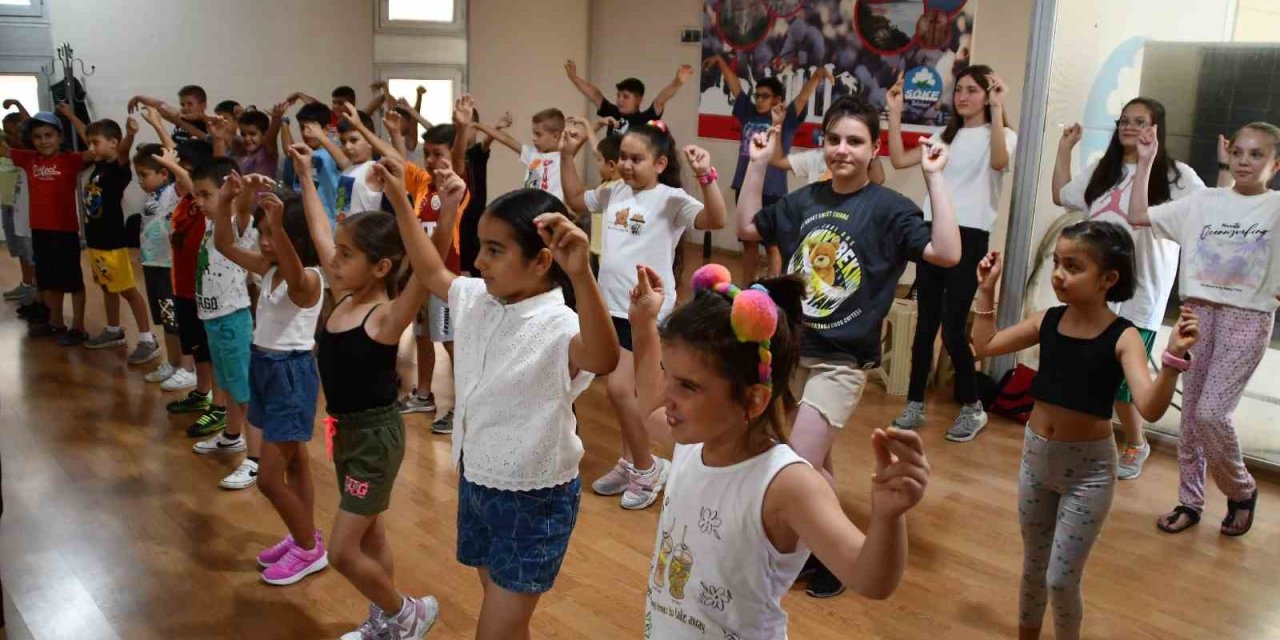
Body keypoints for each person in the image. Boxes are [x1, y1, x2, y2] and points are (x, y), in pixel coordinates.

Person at [735, 95, 961, 597]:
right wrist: (755, 165)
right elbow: (747, 227)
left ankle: (828, 556)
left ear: (873, 148)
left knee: (794, 461)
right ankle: (828, 555)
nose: (842, 150)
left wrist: (934, 177)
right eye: (834, 140)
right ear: (822, 144)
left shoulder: (888, 208)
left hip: (841, 362)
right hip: (794, 352)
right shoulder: (805, 200)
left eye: (855, 141)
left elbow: (946, 252)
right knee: (815, 464)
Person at [630, 262, 930, 639]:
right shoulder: (693, 441)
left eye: (687, 386)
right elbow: (649, 410)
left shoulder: (788, 484)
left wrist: (888, 516)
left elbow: (870, 579)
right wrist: (644, 325)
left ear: (753, 400)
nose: (667, 396)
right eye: (665, 374)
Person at [389, 150, 619, 639]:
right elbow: (431, 271)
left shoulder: (559, 325)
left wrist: (582, 273)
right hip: (478, 482)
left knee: (493, 630)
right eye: (480, 247)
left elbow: (602, 358)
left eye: (495, 250)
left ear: (541, 262)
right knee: (505, 619)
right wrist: (401, 203)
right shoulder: (477, 298)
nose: (478, 260)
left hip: (534, 499)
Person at [970, 221, 1199, 640]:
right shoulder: (1048, 321)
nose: (1059, 274)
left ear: (1108, 279)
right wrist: (986, 290)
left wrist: (1172, 360)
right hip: (1036, 462)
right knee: (1033, 568)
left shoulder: (1124, 335)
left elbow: (1148, 406)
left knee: (1060, 579)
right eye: (1058, 263)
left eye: (1073, 266)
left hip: (1088, 474)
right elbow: (984, 345)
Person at [290, 144, 438, 638]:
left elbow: (424, 269)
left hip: (376, 440)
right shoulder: (342, 298)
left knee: (342, 550)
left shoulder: (386, 318)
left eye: (346, 254)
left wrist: (443, 208)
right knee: (369, 532)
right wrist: (307, 177)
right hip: (344, 432)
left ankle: (405, 612)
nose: (333, 259)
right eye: (337, 251)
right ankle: (387, 619)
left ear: (380, 267)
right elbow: (316, 232)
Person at [562, 119, 727, 510]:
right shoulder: (614, 191)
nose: (626, 165)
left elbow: (715, 220)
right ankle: (632, 461)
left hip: (647, 313)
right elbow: (573, 198)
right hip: (611, 308)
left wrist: (707, 176)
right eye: (622, 157)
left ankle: (647, 467)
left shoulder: (670, 199)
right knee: (626, 395)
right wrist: (568, 154)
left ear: (659, 163)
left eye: (637, 159)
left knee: (623, 391)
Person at [1128, 121, 1280, 538]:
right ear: (1228, 155)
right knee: (1192, 419)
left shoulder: (1276, 207)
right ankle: (1189, 501)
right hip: (1197, 314)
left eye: (1257, 154)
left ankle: (1241, 489)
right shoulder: (1202, 202)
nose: (1245, 161)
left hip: (1247, 318)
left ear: (1275, 162)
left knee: (1213, 413)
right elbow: (1138, 215)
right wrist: (1145, 161)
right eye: (1239, 153)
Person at [1052, 97, 1205, 479]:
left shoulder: (1177, 175)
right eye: (1124, 120)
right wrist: (1063, 149)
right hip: (1094, 294)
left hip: (1141, 295)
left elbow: (1206, 215)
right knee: (1092, 372)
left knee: (1124, 383)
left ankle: (1136, 441)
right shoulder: (1102, 170)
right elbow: (1062, 195)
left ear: (1157, 128)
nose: (1129, 127)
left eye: (1140, 121)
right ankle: (1088, 438)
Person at [886, 65, 1017, 442]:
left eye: (972, 90)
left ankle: (973, 407)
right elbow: (898, 160)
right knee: (925, 322)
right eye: (959, 89)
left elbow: (997, 162)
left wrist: (997, 109)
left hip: (971, 234)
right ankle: (914, 403)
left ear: (988, 93)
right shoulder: (945, 135)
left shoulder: (1004, 135)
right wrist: (895, 114)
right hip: (933, 231)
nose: (963, 96)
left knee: (953, 326)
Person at [212, 177, 328, 585]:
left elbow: (297, 279)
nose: (263, 241)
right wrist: (226, 201)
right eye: (261, 232)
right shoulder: (269, 267)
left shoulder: (308, 279)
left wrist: (278, 227)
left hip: (290, 375)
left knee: (268, 478)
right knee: (296, 463)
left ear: (296, 238)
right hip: (263, 366)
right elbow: (224, 245)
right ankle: (304, 536)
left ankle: (310, 549)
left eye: (272, 233)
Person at [366, 104, 474, 432]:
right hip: (419, 276)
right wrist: (386, 131)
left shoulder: (456, 185)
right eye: (427, 153)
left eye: (437, 153)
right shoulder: (423, 184)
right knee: (423, 337)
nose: (431, 160)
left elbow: (456, 160)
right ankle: (424, 394)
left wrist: (463, 129)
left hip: (444, 277)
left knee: (452, 343)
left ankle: (464, 408)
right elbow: (398, 162)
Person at [705, 54, 830, 282]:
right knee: (749, 243)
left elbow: (802, 98)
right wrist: (720, 62)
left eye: (765, 96)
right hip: (745, 186)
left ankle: (773, 287)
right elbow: (735, 86)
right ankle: (746, 287)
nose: (759, 100)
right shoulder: (747, 113)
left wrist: (816, 77)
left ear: (777, 99)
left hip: (773, 190)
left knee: (772, 244)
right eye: (757, 95)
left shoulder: (786, 118)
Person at [56, 107, 162, 362]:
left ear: (113, 143)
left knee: (127, 290)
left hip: (113, 243)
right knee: (106, 286)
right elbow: (88, 134)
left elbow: (123, 150)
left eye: (96, 143)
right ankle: (114, 330)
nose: (90, 147)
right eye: (89, 143)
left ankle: (148, 339)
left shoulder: (118, 167)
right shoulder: (100, 164)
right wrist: (71, 116)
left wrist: (130, 134)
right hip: (96, 243)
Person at [188, 158, 261, 491]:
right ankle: (232, 436)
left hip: (232, 320)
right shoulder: (211, 222)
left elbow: (243, 206)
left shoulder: (235, 223)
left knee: (244, 390)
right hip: (214, 321)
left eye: (205, 195)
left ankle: (257, 459)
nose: (199, 202)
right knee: (228, 384)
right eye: (196, 195)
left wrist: (237, 193)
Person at [1, 110, 89, 345]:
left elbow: (93, 144)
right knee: (49, 281)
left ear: (59, 137)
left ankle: (79, 327)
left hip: (65, 232)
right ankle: (56, 322)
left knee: (73, 281)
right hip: (40, 231)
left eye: (49, 135)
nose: (43, 141)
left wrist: (71, 115)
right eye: (38, 136)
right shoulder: (29, 159)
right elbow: (4, 149)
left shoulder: (71, 160)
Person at [132, 141, 195, 391]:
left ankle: (187, 367)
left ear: (164, 173)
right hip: (153, 265)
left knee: (178, 320)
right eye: (138, 175)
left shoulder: (175, 192)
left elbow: (187, 181)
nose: (140, 180)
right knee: (167, 319)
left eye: (144, 175)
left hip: (171, 267)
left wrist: (169, 159)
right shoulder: (153, 196)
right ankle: (172, 362)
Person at [564, 60, 694, 136]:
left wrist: (678, 82)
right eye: (618, 96)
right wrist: (574, 77)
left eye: (625, 97)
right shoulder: (612, 114)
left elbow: (661, 99)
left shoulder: (646, 119)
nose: (620, 100)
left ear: (638, 100)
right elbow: (595, 94)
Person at [472, 103, 569, 201]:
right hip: (530, 208)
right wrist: (477, 125)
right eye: (534, 134)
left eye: (538, 135)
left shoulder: (564, 158)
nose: (534, 139)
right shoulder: (532, 154)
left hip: (551, 209)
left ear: (555, 136)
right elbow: (506, 139)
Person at [280, 102, 344, 225]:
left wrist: (340, 218)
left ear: (326, 129)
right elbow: (300, 190)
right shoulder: (305, 155)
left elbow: (343, 191)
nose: (305, 133)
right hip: (307, 222)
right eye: (302, 127)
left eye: (310, 128)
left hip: (331, 223)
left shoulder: (335, 156)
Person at [1, 107, 38, 316]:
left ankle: (34, 289)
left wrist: (16, 102)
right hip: (9, 207)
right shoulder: (5, 148)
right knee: (19, 250)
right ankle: (26, 283)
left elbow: (30, 122)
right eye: (8, 132)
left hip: (27, 213)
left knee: (30, 251)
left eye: (16, 132)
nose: (11, 136)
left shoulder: (27, 154)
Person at [334, 104, 386, 221]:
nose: (347, 146)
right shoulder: (347, 170)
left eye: (353, 140)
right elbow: (341, 208)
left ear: (369, 140)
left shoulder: (375, 169)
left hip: (367, 236)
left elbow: (399, 162)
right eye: (343, 141)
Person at [127, 85, 210, 145]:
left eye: (190, 104)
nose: (185, 108)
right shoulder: (181, 117)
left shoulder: (209, 125)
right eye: (182, 104)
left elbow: (201, 135)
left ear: (203, 106)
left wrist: (176, 118)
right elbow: (161, 105)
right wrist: (138, 98)